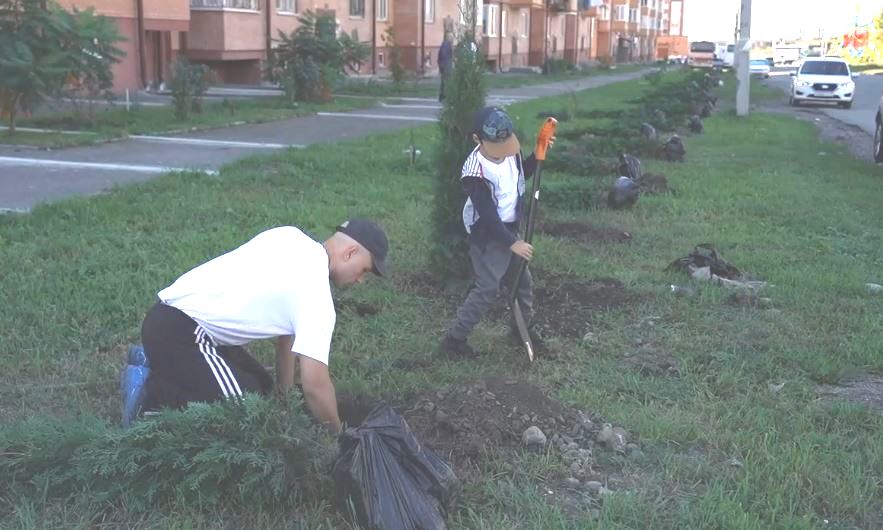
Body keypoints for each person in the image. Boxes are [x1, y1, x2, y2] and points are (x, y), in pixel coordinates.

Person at [122, 219, 389, 433]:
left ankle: (158, 358)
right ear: (350, 252)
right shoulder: (316, 295)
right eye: (364, 270)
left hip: (179, 323)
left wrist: (284, 401)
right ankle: (151, 394)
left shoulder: (290, 236)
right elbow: (314, 384)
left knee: (260, 388)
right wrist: (337, 436)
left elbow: (287, 339)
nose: (360, 280)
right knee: (245, 415)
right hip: (183, 333)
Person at [439, 106, 552, 357]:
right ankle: (454, 341)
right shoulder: (475, 171)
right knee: (487, 287)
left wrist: (538, 154)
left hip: (509, 228)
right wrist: (512, 244)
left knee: (522, 281)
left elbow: (521, 175)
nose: (504, 151)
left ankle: (519, 329)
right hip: (487, 234)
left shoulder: (509, 150)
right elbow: (488, 215)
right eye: (496, 145)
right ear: (477, 139)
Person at [437, 32, 454, 102]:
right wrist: (444, 65)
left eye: (452, 37)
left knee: (444, 81)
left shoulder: (446, 44)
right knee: (446, 80)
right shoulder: (446, 44)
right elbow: (443, 55)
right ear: (447, 37)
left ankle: (442, 96)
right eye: (450, 36)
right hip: (446, 65)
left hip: (445, 64)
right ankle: (444, 96)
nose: (452, 38)